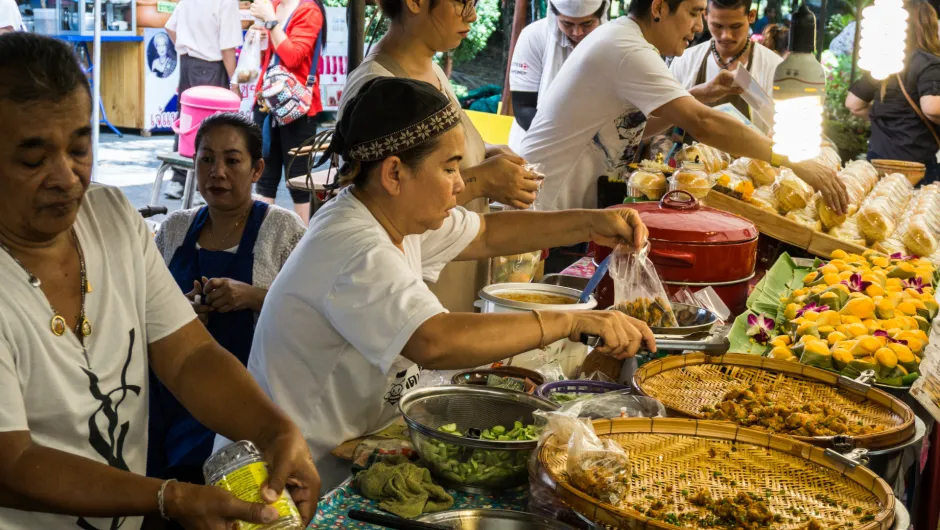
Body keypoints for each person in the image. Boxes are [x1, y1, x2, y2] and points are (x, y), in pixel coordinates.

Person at [236, 76, 656, 493]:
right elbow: (433, 342)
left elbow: (485, 234)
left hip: (347, 455)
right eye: (450, 168)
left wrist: (591, 223)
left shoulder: (394, 215)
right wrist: (570, 322)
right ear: (395, 173)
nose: (462, 183)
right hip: (295, 480)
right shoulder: (355, 247)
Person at [0, 33, 320, 530]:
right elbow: (13, 464)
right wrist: (172, 498)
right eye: (33, 159)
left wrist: (274, 430)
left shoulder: (110, 218)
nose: (66, 178)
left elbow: (189, 355)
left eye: (80, 149)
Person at [519, 0, 848, 216]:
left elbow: (635, 126)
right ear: (659, 7)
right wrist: (793, 161)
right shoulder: (627, 48)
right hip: (541, 208)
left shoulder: (625, 39)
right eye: (693, 13)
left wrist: (701, 93)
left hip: (560, 209)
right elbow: (703, 124)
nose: (699, 27)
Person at [340, 0, 543, 313]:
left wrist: (484, 152)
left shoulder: (428, 67)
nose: (472, 15)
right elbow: (385, 205)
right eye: (462, 3)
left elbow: (430, 156)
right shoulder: (380, 87)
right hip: (416, 294)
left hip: (457, 271)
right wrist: (483, 179)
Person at [148, 113, 306, 499]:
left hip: (243, 402)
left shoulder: (284, 231)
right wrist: (177, 311)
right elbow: (140, 304)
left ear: (258, 169)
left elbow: (314, 311)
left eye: (232, 160)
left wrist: (252, 297)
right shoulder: (174, 228)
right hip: (167, 398)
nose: (217, 172)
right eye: (206, 159)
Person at [242, 0, 328, 224]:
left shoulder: (309, 10)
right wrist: (258, 37)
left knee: (298, 179)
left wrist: (271, 21)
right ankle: (259, 240)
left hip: (297, 107)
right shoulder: (274, 4)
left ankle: (301, 242)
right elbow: (270, 57)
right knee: (263, 176)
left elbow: (293, 57)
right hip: (266, 102)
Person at [846, 2, 940, 184]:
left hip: (877, 159)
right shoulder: (930, 63)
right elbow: (932, 108)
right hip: (914, 167)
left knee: (876, 210)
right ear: (930, 26)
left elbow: (853, 104)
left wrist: (888, 121)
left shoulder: (883, 61)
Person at [164, 0, 243, 200]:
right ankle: (203, 187)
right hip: (212, 66)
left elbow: (170, 27)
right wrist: (235, 82)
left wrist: (189, 47)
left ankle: (178, 180)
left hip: (187, 65)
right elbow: (227, 48)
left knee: (187, 121)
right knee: (212, 127)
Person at [507, 0, 609, 153]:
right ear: (552, 13)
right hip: (536, 145)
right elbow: (523, 107)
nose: (577, 32)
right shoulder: (533, 36)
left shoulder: (615, 43)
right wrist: (569, 140)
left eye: (587, 23)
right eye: (567, 24)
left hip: (595, 150)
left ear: (601, 14)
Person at [668, 0, 782, 121]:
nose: (726, 35)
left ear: (751, 16)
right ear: (705, 15)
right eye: (718, 26)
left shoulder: (775, 68)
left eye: (735, 26)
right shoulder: (685, 61)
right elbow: (663, 119)